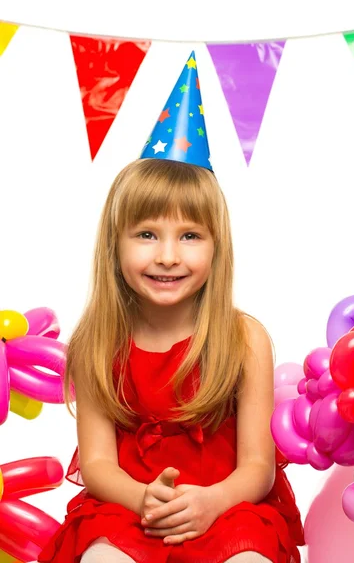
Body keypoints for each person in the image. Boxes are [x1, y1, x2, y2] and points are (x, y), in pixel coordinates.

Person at [38, 52, 304, 563]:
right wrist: (141, 496)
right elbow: (96, 462)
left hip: (227, 508)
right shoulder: (98, 339)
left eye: (189, 235)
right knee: (101, 557)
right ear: (114, 244)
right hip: (129, 509)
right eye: (145, 234)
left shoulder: (244, 338)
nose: (166, 255)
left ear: (216, 246)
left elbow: (257, 467)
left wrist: (213, 501)